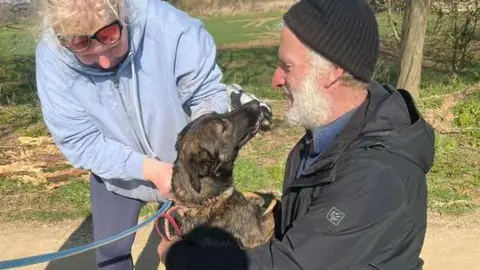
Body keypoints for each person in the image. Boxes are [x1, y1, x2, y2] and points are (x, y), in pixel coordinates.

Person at [158, 0, 436, 269]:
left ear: (333, 72)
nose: (276, 80)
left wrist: (177, 256)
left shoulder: (377, 174)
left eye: (287, 67)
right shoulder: (328, 136)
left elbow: (288, 265)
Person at [35, 0, 231, 269]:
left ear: (124, 13)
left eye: (110, 38)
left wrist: (194, 161)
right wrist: (149, 170)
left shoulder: (171, 28)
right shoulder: (52, 56)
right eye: (82, 46)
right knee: (111, 253)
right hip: (116, 173)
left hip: (188, 171)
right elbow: (80, 139)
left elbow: (207, 96)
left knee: (207, 247)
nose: (103, 62)